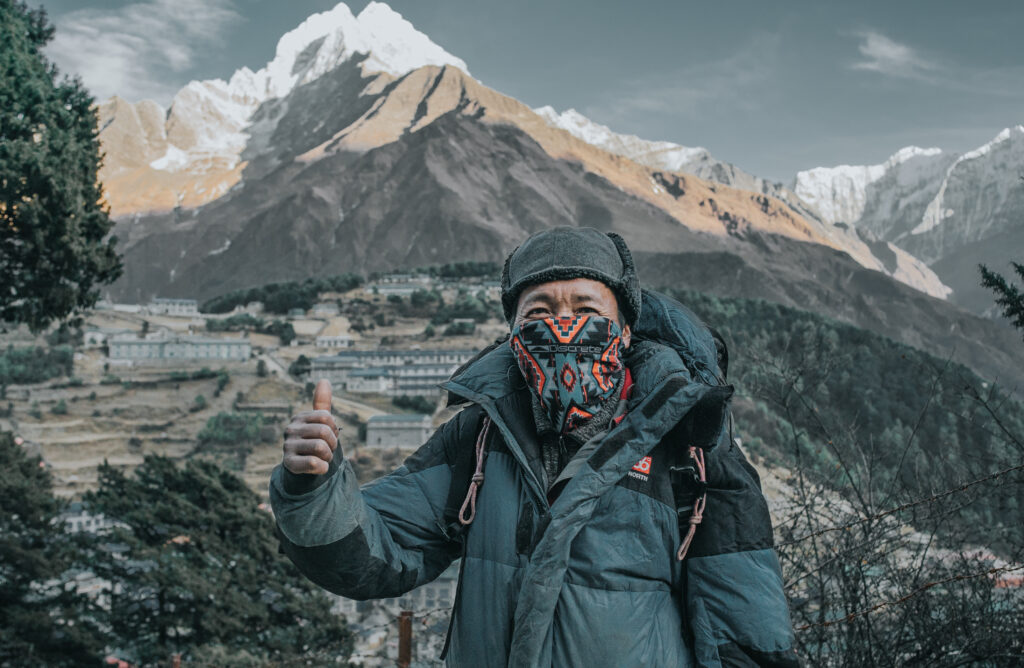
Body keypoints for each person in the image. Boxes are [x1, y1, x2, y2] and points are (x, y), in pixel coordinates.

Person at [270, 226, 798, 667]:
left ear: (625, 328)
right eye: (539, 311)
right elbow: (375, 554)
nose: (563, 325)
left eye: (586, 307)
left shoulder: (692, 441)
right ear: (514, 334)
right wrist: (313, 487)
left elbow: (742, 626)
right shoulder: (480, 435)